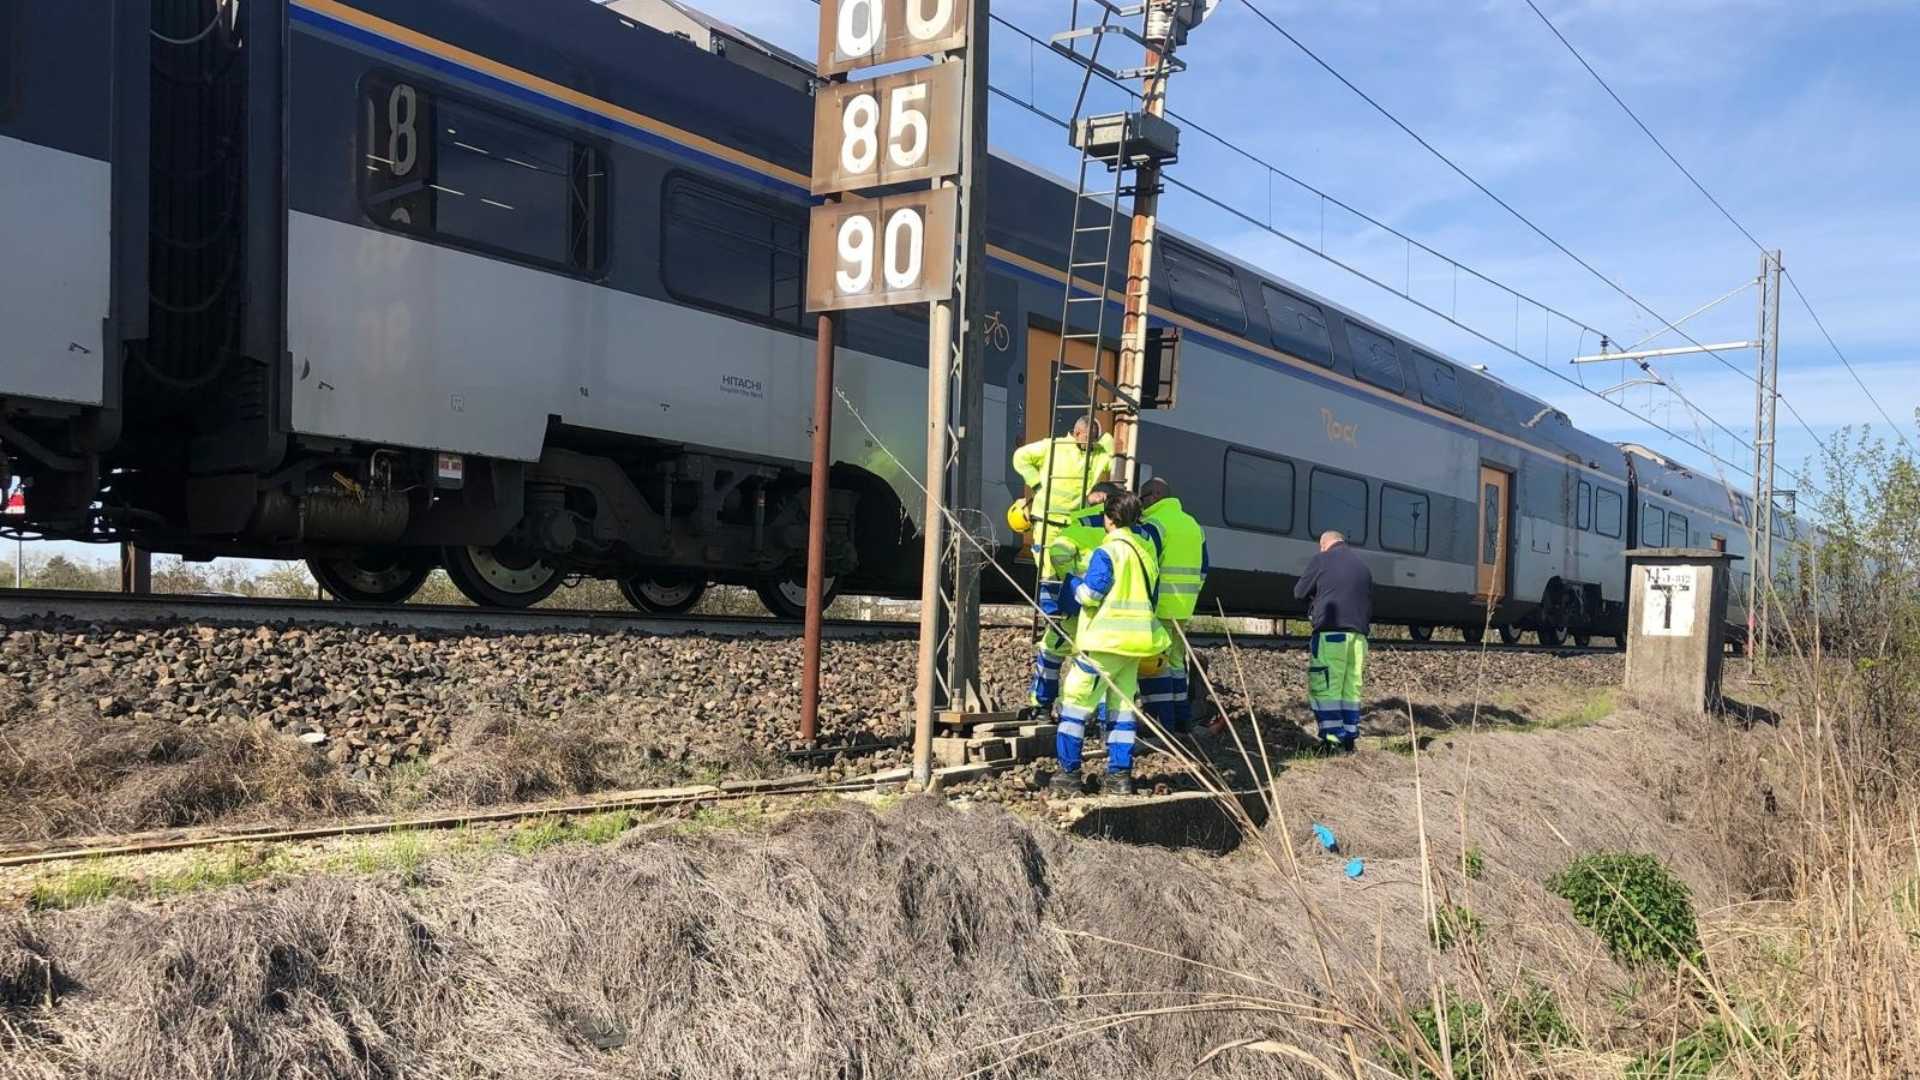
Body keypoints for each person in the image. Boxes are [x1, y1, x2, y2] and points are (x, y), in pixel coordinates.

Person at [1052, 489, 1169, 797]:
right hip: (1135, 645)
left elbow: (1091, 595)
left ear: (1110, 518)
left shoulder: (1109, 551)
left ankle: (1069, 774)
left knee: (1075, 702)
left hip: (1104, 643)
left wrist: (1074, 587)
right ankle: (1119, 777)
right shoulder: (1145, 553)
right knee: (1122, 709)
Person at [1012, 417, 1114, 717]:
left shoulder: (1095, 453)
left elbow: (1110, 446)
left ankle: (1043, 706)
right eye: (1089, 436)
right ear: (1076, 432)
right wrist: (1038, 482)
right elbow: (1020, 457)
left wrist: (1100, 431)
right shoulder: (1053, 448)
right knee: (1101, 662)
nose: (1093, 442)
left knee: (1053, 646)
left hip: (1076, 592)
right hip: (1052, 522)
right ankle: (1100, 717)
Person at [1137, 477, 1208, 733]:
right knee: (1177, 663)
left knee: (1157, 664)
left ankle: (1162, 722)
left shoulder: (1155, 524)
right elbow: (1203, 570)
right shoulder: (1193, 525)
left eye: (1143, 499)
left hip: (1159, 607)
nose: (1141, 505)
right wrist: (1190, 598)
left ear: (1154, 496)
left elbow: (1145, 566)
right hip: (1183, 608)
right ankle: (1182, 719)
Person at [1292, 530, 1372, 752]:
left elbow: (1299, 592)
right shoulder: (1362, 566)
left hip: (1331, 635)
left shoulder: (1322, 559)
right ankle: (1349, 741)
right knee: (1351, 689)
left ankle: (1331, 742)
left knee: (1326, 687)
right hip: (1358, 638)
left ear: (1324, 545)